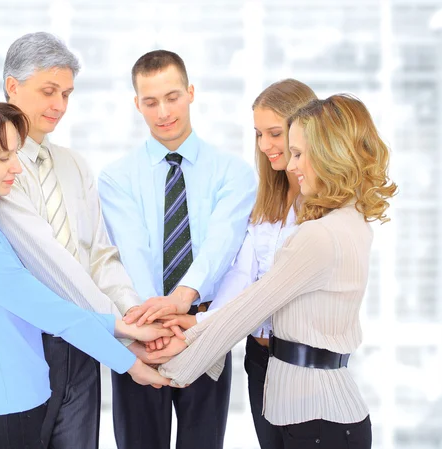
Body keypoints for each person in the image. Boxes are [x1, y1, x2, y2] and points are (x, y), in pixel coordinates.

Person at [140, 94, 398, 449]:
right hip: (315, 414)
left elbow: (250, 310)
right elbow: (247, 294)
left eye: (298, 153)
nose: (291, 166)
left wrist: (166, 369)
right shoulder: (352, 221)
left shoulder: (318, 235)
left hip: (315, 420)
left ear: (329, 153)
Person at [0, 98, 172, 449]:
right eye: (3, 157)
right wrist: (132, 364)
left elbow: (42, 310)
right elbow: (54, 314)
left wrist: (124, 326)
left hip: (14, 413)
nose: (18, 167)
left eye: (15, 153)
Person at [0, 33, 156, 449]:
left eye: (66, 94)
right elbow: (50, 263)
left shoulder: (74, 165)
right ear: (13, 86)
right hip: (28, 345)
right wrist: (119, 331)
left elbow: (99, 255)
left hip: (83, 351)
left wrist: (132, 314)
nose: (60, 106)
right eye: (49, 91)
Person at [98, 50, 257, 449]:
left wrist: (180, 304)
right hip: (142, 338)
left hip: (204, 333)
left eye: (172, 97)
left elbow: (222, 246)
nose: (163, 111)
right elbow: (131, 253)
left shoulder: (233, 172)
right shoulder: (116, 177)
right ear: (137, 104)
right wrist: (153, 323)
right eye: (150, 102)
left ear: (190, 92)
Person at [159, 78, 317, 449]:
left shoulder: (323, 211)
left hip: (304, 364)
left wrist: (199, 327)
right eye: (259, 134)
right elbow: (242, 277)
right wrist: (197, 320)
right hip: (260, 359)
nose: (265, 146)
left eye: (274, 134)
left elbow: (270, 293)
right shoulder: (268, 201)